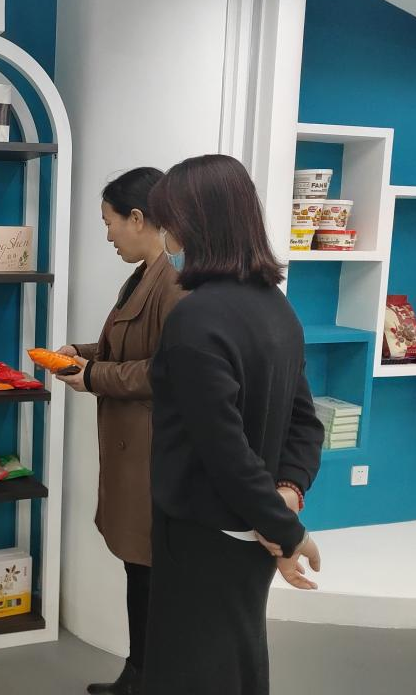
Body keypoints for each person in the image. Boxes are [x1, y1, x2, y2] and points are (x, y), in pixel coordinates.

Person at [142, 154, 324, 695]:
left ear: (194, 223)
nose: (165, 235)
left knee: (190, 669)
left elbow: (222, 448)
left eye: (168, 220)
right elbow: (305, 422)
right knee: (239, 659)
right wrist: (285, 498)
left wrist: (286, 530)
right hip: (250, 530)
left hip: (201, 531)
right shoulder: (277, 307)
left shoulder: (195, 317)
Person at [55, 168, 185, 695]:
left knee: (150, 573)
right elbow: (126, 349)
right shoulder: (142, 276)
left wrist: (93, 376)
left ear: (137, 218)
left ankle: (148, 678)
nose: (107, 235)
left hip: (152, 454)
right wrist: (81, 355)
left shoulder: (174, 284)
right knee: (139, 571)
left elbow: (168, 372)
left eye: (109, 223)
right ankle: (138, 674)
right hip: (131, 449)